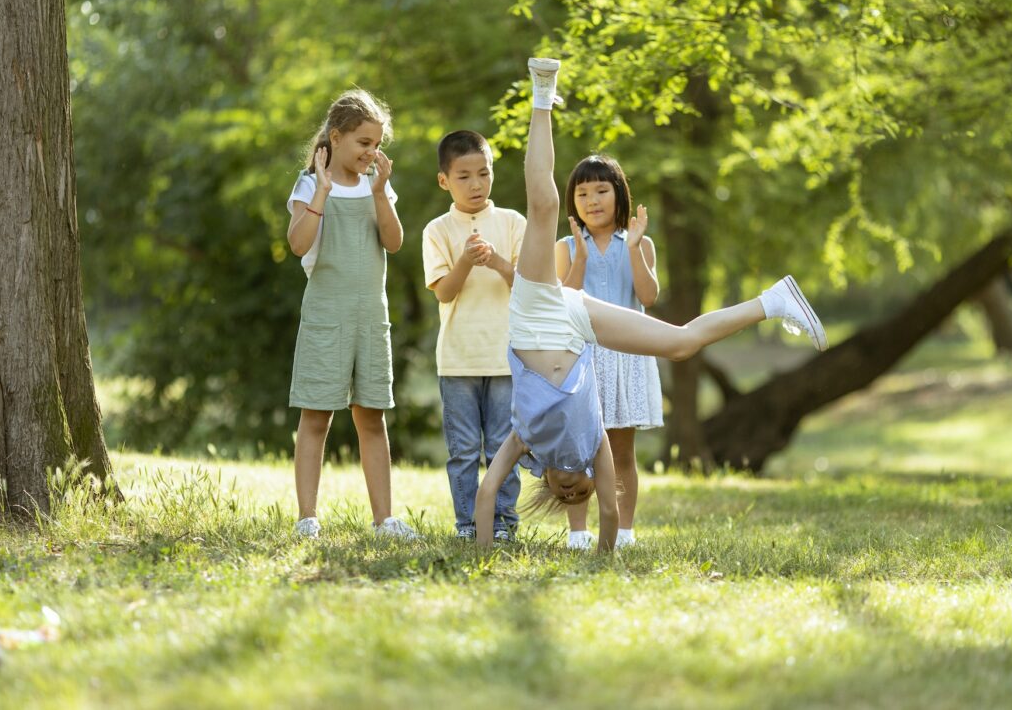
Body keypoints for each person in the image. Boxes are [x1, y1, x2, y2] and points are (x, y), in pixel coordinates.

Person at [474, 58, 828, 552]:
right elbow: (612, 510)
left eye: (565, 489)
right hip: (577, 322)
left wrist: (484, 557)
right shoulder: (593, 440)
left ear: (547, 484)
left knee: (543, 207)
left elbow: (488, 491)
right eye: (582, 490)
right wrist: (605, 551)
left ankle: (541, 96)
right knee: (681, 344)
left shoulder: (524, 441)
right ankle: (773, 301)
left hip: (536, 313)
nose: (574, 485)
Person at [285, 87, 417, 540]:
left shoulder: (376, 185)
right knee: (316, 416)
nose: (371, 152)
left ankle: (384, 520)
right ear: (336, 138)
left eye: (377, 145)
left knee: (372, 416)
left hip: (369, 318)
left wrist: (380, 193)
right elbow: (298, 244)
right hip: (326, 315)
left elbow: (394, 242)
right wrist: (321, 192)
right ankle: (307, 517)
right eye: (363, 143)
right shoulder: (309, 185)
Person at [422, 130, 526, 542]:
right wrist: (465, 261)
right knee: (463, 450)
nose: (476, 184)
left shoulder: (513, 223)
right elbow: (444, 292)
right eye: (464, 176)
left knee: (504, 447)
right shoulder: (437, 230)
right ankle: (468, 524)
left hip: (506, 357)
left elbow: (530, 286)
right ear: (444, 180)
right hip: (458, 359)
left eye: (484, 173)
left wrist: (497, 261)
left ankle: (503, 524)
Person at [555, 154, 663, 550]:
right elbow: (564, 302)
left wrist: (634, 248)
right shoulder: (565, 247)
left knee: (621, 450)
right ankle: (579, 532)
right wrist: (580, 258)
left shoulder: (640, 242)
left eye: (601, 190)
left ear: (619, 195)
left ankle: (624, 532)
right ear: (573, 202)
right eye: (582, 193)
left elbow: (648, 296)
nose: (592, 200)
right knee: (577, 448)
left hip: (627, 356)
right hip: (582, 357)